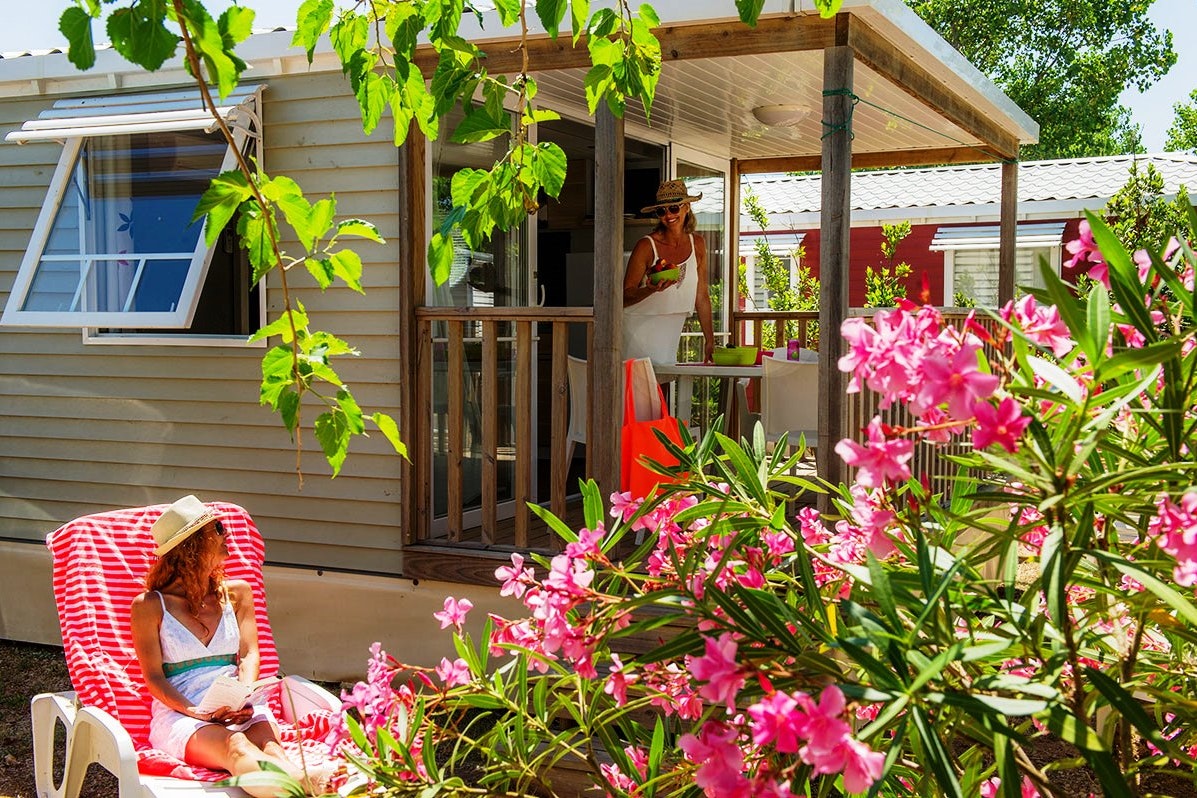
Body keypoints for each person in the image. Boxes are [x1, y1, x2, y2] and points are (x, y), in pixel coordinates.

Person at [130, 495, 331, 797]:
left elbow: (250, 654)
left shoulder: (237, 592)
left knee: (273, 749)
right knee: (235, 747)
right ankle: (314, 786)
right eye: (219, 529)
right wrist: (198, 712)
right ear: (192, 546)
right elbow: (154, 678)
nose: (228, 535)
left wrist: (244, 695)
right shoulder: (149, 606)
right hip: (182, 712)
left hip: (238, 703)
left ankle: (304, 787)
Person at [623, 179, 716, 364]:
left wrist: (710, 339)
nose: (668, 215)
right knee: (641, 390)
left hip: (670, 329)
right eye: (661, 210)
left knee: (662, 387)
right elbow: (624, 296)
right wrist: (650, 289)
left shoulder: (697, 244)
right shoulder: (646, 246)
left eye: (674, 208)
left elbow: (702, 296)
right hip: (637, 328)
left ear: (686, 208)